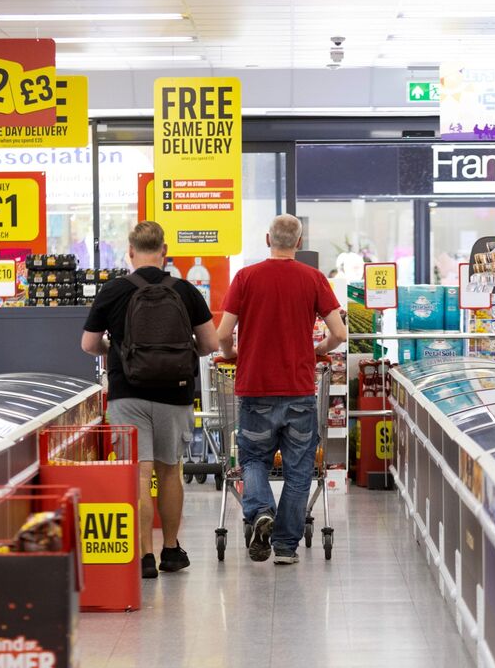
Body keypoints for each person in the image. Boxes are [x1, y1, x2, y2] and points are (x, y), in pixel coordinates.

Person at [82, 221, 219, 579]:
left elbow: (88, 345)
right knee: (170, 468)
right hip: (175, 393)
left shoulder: (113, 290)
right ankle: (171, 550)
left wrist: (115, 349)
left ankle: (144, 556)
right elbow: (210, 345)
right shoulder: (186, 290)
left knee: (139, 472)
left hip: (128, 394)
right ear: (164, 251)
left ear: (130, 252)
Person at [217, 215, 347, 564]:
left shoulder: (245, 277)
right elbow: (340, 333)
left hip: (255, 387)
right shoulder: (314, 278)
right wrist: (318, 350)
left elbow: (221, 335)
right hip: (299, 390)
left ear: (266, 239)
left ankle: (261, 511)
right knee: (299, 469)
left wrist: (233, 353)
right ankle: (286, 548)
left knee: (254, 458)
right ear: (299, 244)